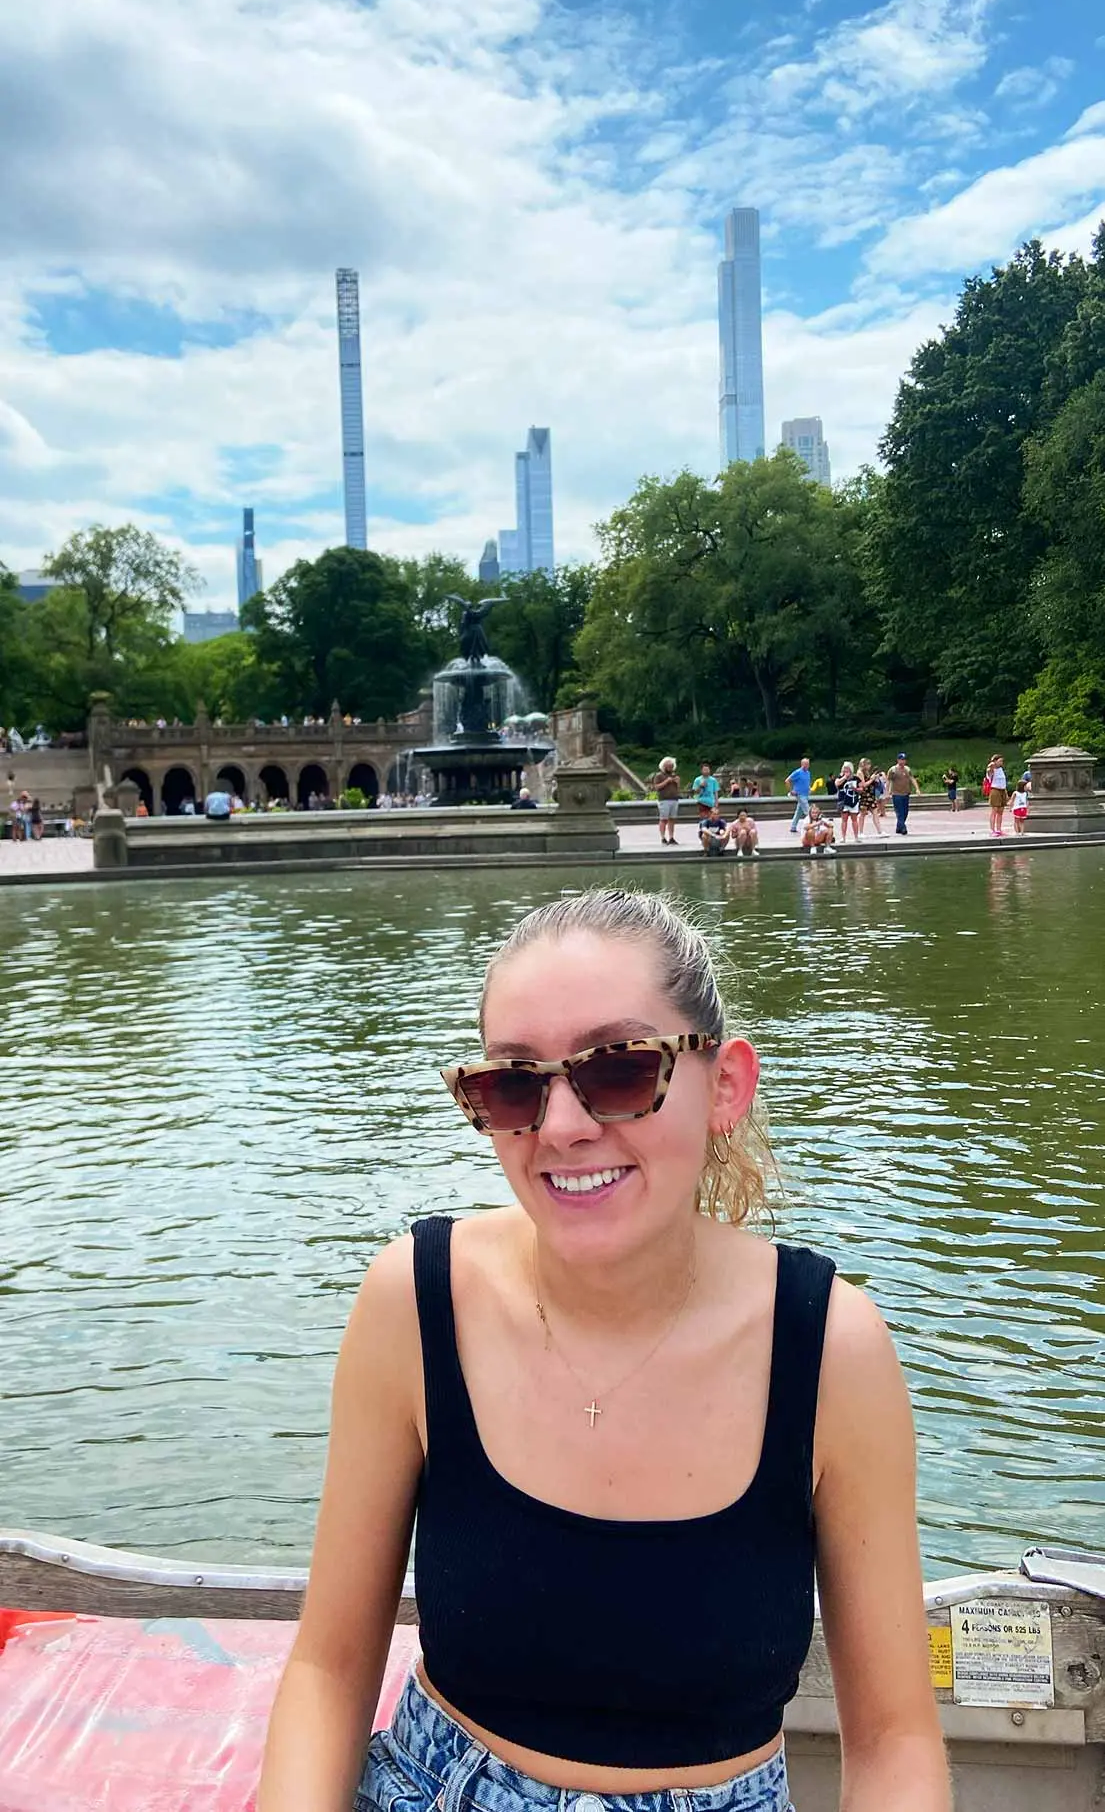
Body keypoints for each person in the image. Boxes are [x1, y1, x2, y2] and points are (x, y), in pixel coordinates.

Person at [257, 888, 948, 1812]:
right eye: (513, 1083)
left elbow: (895, 1738)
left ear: (725, 1086)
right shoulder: (412, 1301)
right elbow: (330, 1666)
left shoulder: (829, 1347)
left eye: (617, 1068)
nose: (561, 1125)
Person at [888, 754, 920, 835]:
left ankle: (899, 827)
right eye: (901, 759)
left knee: (905, 812)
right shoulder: (893, 770)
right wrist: (888, 791)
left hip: (906, 793)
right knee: (900, 812)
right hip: (896, 794)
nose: (903, 761)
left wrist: (917, 789)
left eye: (904, 760)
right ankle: (903, 828)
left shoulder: (907, 769)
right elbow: (889, 780)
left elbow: (912, 779)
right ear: (898, 760)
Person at [651, 756, 680, 846]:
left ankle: (671, 837)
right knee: (663, 819)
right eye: (668, 766)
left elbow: (678, 788)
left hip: (674, 799)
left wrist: (677, 782)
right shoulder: (659, 775)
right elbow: (656, 787)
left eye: (671, 766)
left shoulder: (675, 776)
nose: (670, 768)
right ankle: (663, 837)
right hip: (664, 800)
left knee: (672, 819)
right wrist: (666, 781)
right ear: (664, 766)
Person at [834, 761, 861, 844]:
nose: (846, 771)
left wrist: (855, 789)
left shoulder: (856, 778)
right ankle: (843, 837)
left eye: (848, 769)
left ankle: (856, 837)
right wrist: (844, 778)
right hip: (844, 801)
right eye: (844, 769)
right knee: (844, 819)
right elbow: (837, 784)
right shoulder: (840, 777)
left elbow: (861, 789)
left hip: (853, 800)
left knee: (854, 819)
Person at [785, 756, 812, 834]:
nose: (807, 766)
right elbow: (787, 781)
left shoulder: (808, 773)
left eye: (808, 764)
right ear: (802, 764)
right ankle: (812, 825)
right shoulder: (797, 772)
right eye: (805, 764)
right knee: (808, 810)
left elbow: (806, 782)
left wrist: (809, 789)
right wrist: (791, 791)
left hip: (805, 794)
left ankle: (793, 827)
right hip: (800, 794)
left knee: (799, 812)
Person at [857, 759, 883, 838]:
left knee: (875, 813)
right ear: (863, 765)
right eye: (868, 765)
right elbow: (863, 785)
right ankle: (860, 832)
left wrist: (875, 779)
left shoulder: (867, 772)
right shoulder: (860, 773)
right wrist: (871, 779)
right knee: (862, 814)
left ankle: (880, 831)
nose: (869, 766)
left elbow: (870, 783)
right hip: (864, 795)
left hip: (871, 795)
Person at [987, 754, 1008, 837]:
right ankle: (992, 830)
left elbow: (1003, 782)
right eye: (1000, 761)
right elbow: (989, 770)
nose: (1001, 762)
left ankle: (999, 829)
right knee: (994, 811)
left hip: (1002, 790)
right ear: (995, 761)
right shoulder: (992, 770)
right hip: (995, 790)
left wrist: (1006, 793)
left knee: (1000, 812)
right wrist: (991, 764)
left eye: (1002, 761)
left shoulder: (1001, 769)